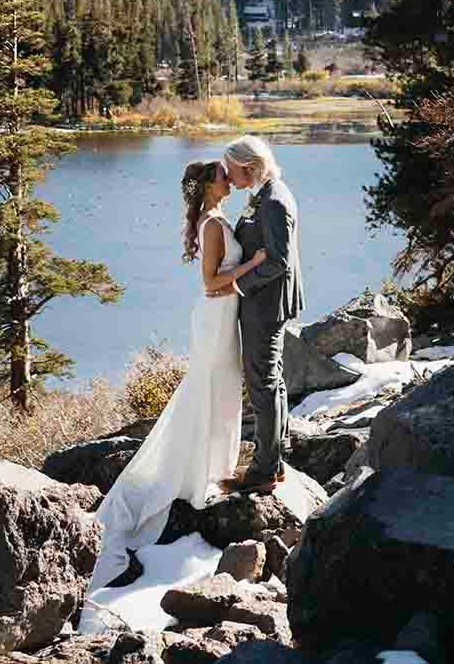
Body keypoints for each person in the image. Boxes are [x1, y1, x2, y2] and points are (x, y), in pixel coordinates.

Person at [89, 159, 265, 567]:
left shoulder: (218, 217)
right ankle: (195, 474)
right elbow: (210, 282)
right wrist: (254, 264)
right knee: (207, 392)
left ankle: (214, 467)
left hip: (223, 315)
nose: (229, 180)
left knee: (220, 391)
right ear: (208, 185)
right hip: (215, 317)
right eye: (223, 175)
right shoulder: (212, 224)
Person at [219, 134, 301, 494]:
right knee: (273, 380)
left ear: (249, 167)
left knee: (262, 384)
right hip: (266, 303)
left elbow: (279, 262)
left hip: (265, 305)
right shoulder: (266, 195)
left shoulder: (274, 202)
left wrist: (239, 285)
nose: (228, 175)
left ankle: (264, 471)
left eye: (231, 169)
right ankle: (276, 458)